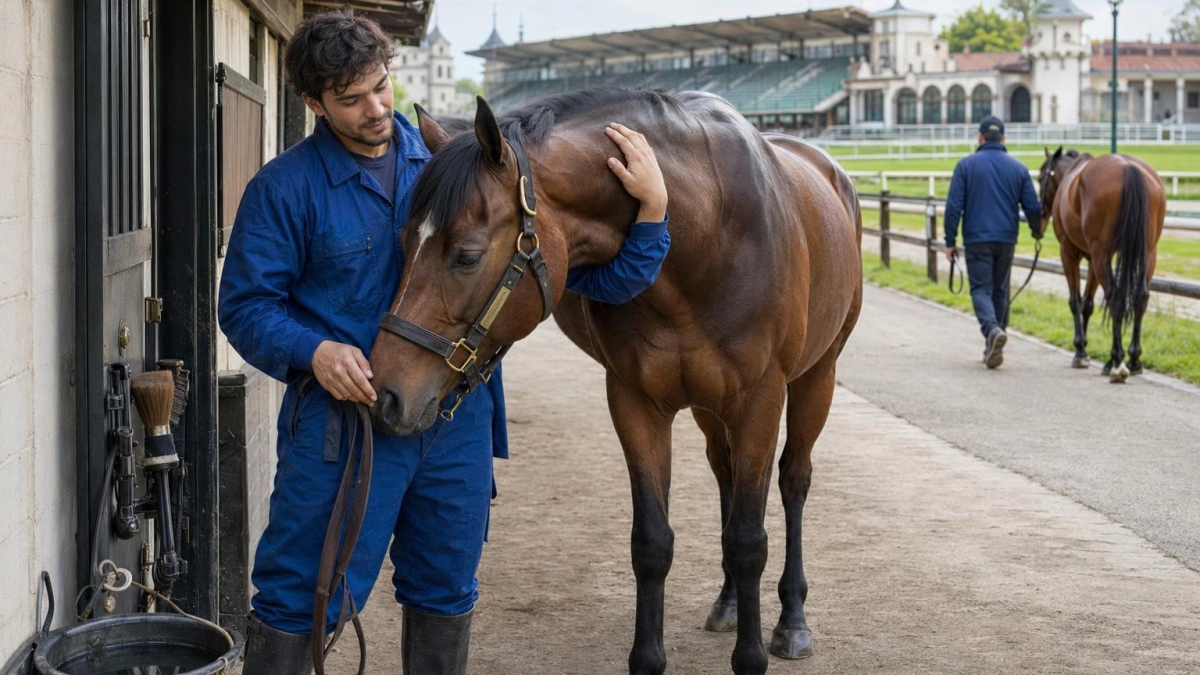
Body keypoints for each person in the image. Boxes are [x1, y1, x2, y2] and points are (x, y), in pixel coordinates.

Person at [217, 10, 671, 674]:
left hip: (456, 425)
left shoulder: (451, 164)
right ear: (314, 104)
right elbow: (244, 307)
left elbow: (592, 282)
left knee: (446, 592)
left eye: (380, 86)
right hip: (345, 428)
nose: (376, 108)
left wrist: (652, 211)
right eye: (350, 99)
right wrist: (314, 351)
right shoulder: (285, 189)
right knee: (299, 599)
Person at [944, 115, 1042, 369]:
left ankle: (991, 330)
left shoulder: (965, 166)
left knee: (980, 290)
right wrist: (1036, 232)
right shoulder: (1019, 169)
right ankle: (994, 341)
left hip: (977, 238)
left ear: (980, 137)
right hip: (1006, 238)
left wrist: (950, 240)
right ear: (1004, 138)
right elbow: (1033, 207)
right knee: (1000, 290)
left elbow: (953, 207)